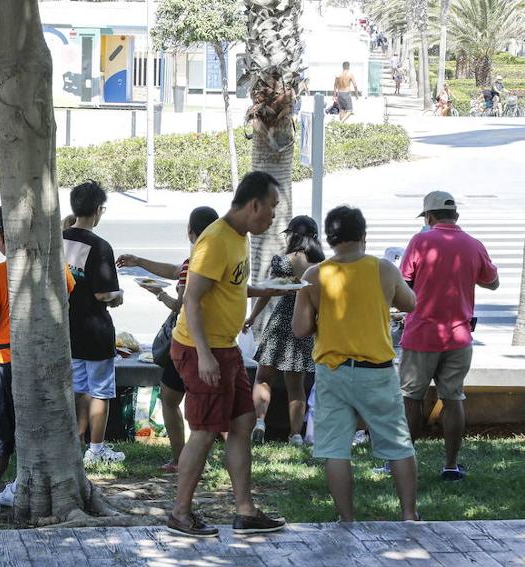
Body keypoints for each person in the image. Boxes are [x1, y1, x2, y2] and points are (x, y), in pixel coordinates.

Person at [166, 172, 289, 538]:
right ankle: (180, 513)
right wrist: (204, 355)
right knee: (204, 430)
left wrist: (266, 290)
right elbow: (192, 298)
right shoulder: (216, 239)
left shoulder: (240, 238)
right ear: (254, 205)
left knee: (242, 423)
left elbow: (230, 288)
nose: (273, 217)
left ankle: (245, 511)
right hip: (200, 349)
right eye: (271, 208)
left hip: (227, 348)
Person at [292, 206, 419, 522]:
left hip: (332, 371)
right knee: (398, 443)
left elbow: (300, 329)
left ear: (330, 239)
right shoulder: (383, 270)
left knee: (335, 449)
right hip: (377, 372)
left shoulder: (313, 276)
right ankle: (408, 513)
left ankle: (346, 518)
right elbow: (411, 303)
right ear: (363, 235)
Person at [0, 207, 75, 515]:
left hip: (7, 361)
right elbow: (68, 293)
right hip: (46, 358)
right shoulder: (56, 266)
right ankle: (20, 485)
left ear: (3, 237)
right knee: (35, 427)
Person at [398, 191, 499, 481]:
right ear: (455, 216)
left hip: (421, 334)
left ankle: (403, 462)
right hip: (459, 336)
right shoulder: (473, 244)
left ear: (429, 216)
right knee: (453, 398)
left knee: (410, 398)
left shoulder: (421, 241)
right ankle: (451, 465)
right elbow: (492, 282)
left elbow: (404, 283)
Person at [117, 205, 221, 472]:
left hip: (188, 340)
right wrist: (139, 261)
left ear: (190, 231)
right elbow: (175, 270)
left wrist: (160, 296)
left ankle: (185, 459)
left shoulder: (199, 261)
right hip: (209, 339)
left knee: (175, 399)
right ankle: (187, 459)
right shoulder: (212, 256)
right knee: (185, 399)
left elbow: (184, 305)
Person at [244, 215, 325, 446]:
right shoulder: (320, 265)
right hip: (306, 326)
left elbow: (268, 291)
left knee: (263, 378)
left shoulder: (283, 261)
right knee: (296, 385)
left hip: (281, 323)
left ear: (291, 235)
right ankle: (295, 434)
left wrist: (251, 317)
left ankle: (260, 422)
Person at [62, 181, 126, 467]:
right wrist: (118, 296)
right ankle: (97, 448)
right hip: (95, 329)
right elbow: (103, 293)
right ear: (99, 210)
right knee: (100, 390)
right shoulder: (99, 246)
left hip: (67, 328)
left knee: (78, 387)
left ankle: (76, 442)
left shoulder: (59, 239)